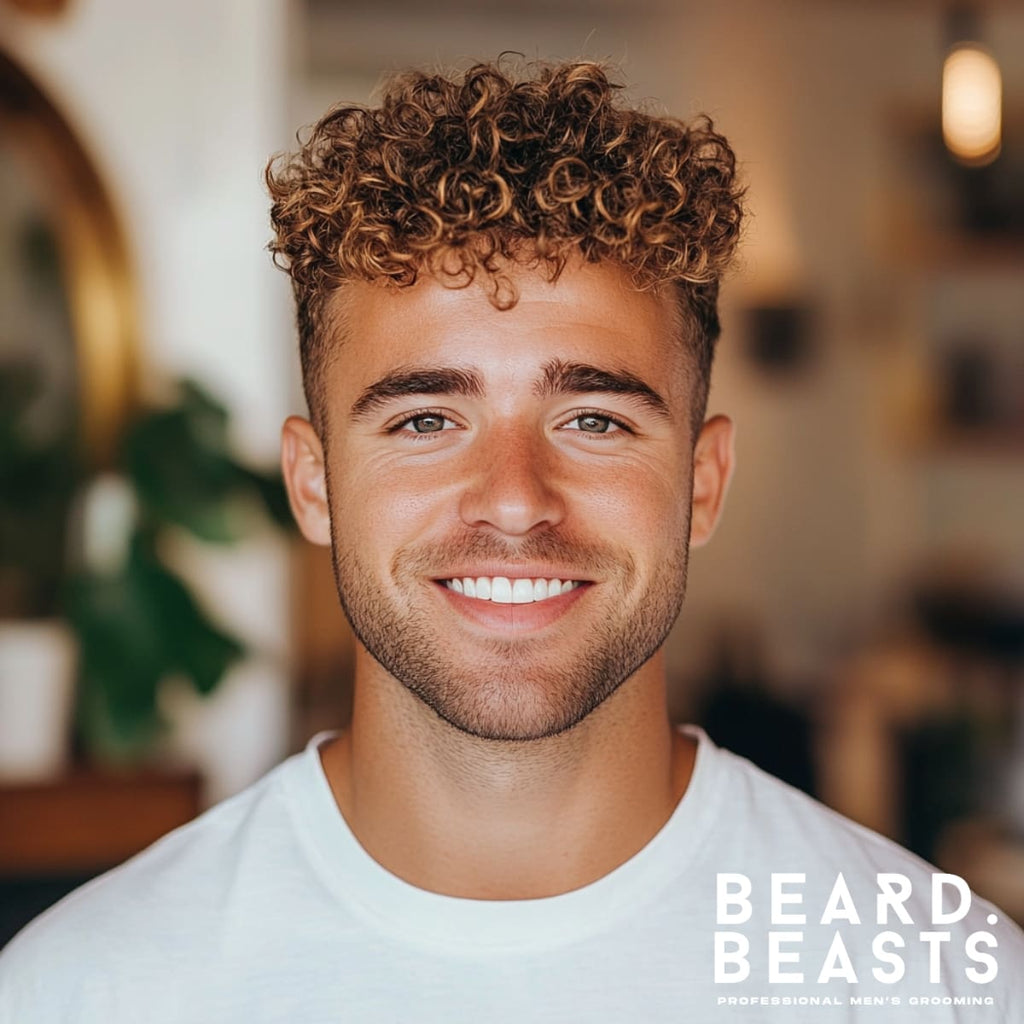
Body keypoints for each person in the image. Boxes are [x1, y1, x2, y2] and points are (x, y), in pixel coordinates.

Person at [1, 57, 1022, 1023]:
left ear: (703, 483)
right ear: (312, 485)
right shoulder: (83, 990)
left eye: (593, 420)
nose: (517, 500)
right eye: (425, 421)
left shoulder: (943, 983)